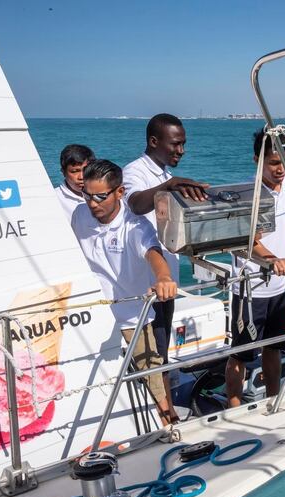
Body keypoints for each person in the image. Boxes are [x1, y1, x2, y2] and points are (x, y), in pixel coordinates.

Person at [71, 159, 179, 425]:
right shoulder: (79, 215)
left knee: (151, 375)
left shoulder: (136, 226)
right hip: (93, 312)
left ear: (119, 192)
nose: (92, 203)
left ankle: (169, 424)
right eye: (87, 194)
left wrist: (164, 277)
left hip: (130, 314)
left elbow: (153, 254)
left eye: (100, 196)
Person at [123, 113, 209, 420]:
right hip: (146, 285)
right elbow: (134, 203)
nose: (181, 151)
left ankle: (162, 411)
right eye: (175, 144)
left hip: (167, 281)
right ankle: (162, 416)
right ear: (154, 142)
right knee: (151, 356)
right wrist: (169, 186)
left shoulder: (162, 172)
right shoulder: (135, 171)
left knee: (160, 352)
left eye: (184, 144)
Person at [225, 130, 285, 408]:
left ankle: (275, 401)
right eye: (274, 163)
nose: (280, 170)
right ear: (256, 160)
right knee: (242, 354)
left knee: (275, 348)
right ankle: (234, 406)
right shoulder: (248, 196)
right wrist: (274, 260)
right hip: (251, 289)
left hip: (282, 287)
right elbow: (247, 243)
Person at [55, 144, 95, 222]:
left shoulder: (106, 193)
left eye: (86, 170)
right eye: (74, 171)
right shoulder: (54, 198)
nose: (81, 177)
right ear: (63, 172)